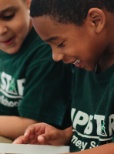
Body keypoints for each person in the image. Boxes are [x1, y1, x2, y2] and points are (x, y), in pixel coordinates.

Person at [14, 0, 114, 153]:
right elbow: (106, 124)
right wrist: (65, 135)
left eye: (60, 44)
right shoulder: (88, 54)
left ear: (96, 20)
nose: (56, 56)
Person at [0, 0, 72, 142]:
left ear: (28, 2)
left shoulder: (46, 54)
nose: (1, 30)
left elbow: (32, 126)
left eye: (8, 16)